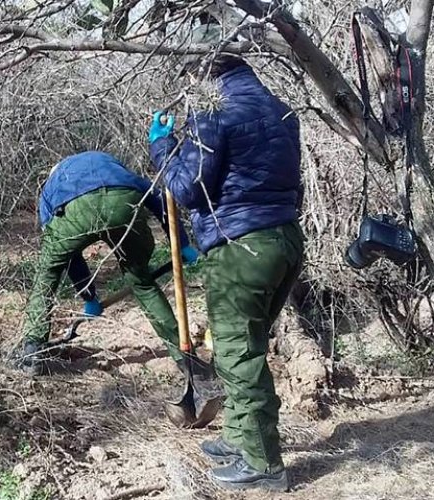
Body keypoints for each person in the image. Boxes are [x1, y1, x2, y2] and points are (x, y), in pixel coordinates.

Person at [148, 23, 304, 492]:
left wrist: (161, 147)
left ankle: (263, 464)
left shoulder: (214, 111)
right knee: (247, 347)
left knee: (239, 356)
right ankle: (240, 437)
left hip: (242, 248)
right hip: (284, 240)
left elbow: (189, 190)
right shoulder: (281, 109)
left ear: (203, 69)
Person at [20, 151, 198, 375]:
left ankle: (32, 352)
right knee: (142, 282)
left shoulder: (50, 191)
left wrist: (89, 296)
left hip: (71, 214)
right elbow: (159, 198)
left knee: (47, 275)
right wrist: (182, 242)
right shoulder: (115, 169)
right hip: (123, 201)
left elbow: (68, 258)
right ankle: (186, 359)